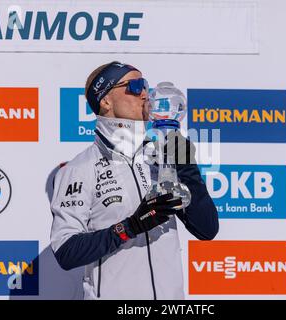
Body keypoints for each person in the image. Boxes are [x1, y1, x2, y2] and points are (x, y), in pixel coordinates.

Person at [50, 61, 219, 300]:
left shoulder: (161, 158)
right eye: (135, 85)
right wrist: (129, 227)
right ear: (105, 101)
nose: (144, 93)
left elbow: (207, 229)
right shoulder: (79, 168)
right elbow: (66, 251)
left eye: (146, 85)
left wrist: (187, 168)